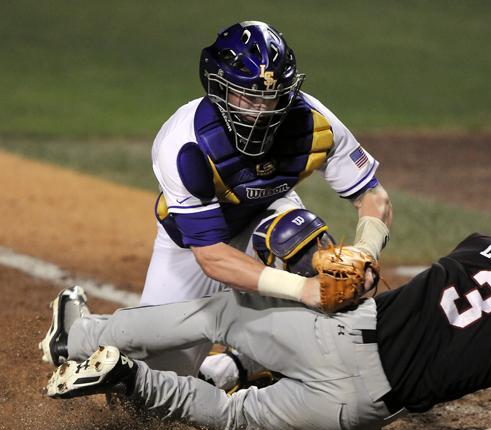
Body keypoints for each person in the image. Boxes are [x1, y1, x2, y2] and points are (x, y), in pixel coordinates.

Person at [40, 205, 491, 430]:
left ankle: (82, 337)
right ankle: (130, 379)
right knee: (236, 417)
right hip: (356, 410)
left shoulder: (482, 245)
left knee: (220, 313)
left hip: (338, 334)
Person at [142, 21, 393, 380]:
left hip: (270, 216)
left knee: (302, 244)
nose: (260, 109)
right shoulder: (185, 145)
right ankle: (234, 368)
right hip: (192, 245)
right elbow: (211, 256)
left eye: (269, 97)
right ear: (218, 88)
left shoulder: (313, 123)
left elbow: (372, 194)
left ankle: (331, 375)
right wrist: (301, 290)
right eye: (247, 96)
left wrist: (366, 253)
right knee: (155, 386)